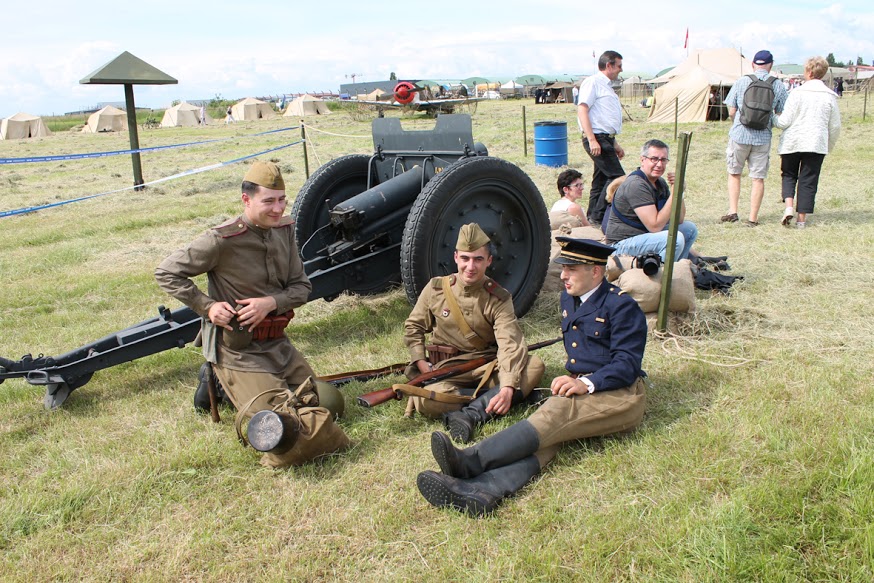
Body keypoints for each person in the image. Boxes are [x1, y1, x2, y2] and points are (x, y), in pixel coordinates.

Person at [416, 237, 647, 517]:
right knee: (549, 439)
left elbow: (627, 365)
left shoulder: (621, 306)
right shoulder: (570, 298)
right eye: (564, 267)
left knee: (556, 413)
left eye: (571, 269)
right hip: (588, 387)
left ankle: (471, 460)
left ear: (595, 272)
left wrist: (583, 382)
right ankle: (483, 491)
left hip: (620, 392)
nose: (562, 275)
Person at [154, 161, 349, 468]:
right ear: (246, 200)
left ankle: (221, 384)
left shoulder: (284, 231)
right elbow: (167, 272)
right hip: (239, 349)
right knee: (285, 429)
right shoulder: (221, 240)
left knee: (330, 404)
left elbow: (301, 287)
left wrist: (269, 303)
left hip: (277, 343)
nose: (277, 208)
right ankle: (220, 377)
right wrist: (208, 306)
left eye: (282, 199)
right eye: (268, 201)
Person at [402, 223, 545, 444]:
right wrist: (420, 361)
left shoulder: (499, 298)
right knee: (426, 401)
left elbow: (510, 344)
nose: (471, 266)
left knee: (534, 366)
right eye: (466, 258)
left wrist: (507, 386)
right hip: (446, 370)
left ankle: (474, 411)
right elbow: (414, 327)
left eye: (478, 259)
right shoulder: (436, 289)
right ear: (456, 257)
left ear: (488, 261)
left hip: (485, 367)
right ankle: (505, 399)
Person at [721, 49, 788, 227]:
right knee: (757, 178)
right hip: (763, 138)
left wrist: (736, 123)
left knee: (734, 173)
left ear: (753, 64)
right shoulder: (778, 85)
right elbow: (780, 113)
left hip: (739, 135)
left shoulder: (742, 81)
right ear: (771, 65)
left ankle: (733, 210)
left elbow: (732, 110)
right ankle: (753, 218)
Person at [773, 56, 842, 229]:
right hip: (816, 143)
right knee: (808, 180)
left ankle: (789, 206)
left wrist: (773, 118)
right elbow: (834, 126)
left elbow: (785, 121)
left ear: (809, 72)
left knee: (789, 174)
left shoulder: (797, 93)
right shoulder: (830, 96)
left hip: (793, 141)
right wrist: (828, 144)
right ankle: (801, 219)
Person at [605, 139, 698, 262]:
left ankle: (676, 269)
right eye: (654, 159)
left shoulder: (660, 183)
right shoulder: (636, 185)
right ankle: (660, 276)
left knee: (689, 229)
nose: (659, 164)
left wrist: (679, 192)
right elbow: (655, 226)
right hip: (620, 246)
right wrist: (675, 192)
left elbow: (679, 219)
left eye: (663, 160)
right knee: (675, 239)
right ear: (642, 160)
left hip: (644, 237)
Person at [577, 50, 626, 226]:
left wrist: (615, 143)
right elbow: (582, 110)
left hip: (605, 138)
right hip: (597, 137)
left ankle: (592, 218)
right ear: (609, 65)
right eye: (619, 66)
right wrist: (591, 139)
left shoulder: (606, 86)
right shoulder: (593, 82)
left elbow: (603, 119)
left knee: (601, 180)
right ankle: (598, 217)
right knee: (617, 177)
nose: (621, 69)